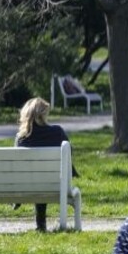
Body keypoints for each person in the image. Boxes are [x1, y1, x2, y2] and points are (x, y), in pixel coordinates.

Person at [14, 97, 76, 232]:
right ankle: (41, 225)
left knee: (37, 179)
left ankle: (40, 224)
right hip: (55, 184)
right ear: (43, 115)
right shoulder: (57, 132)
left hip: (26, 185)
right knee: (43, 179)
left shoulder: (21, 138)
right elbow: (69, 154)